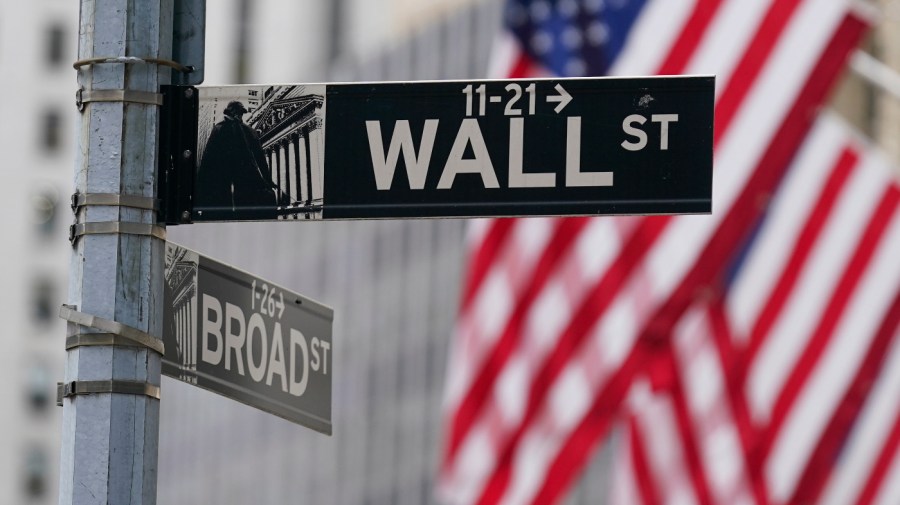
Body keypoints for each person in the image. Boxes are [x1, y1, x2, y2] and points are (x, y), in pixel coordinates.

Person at [196, 101, 282, 217]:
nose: (240, 116)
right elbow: (208, 159)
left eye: (241, 114)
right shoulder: (239, 130)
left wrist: (268, 180)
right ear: (232, 113)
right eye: (239, 113)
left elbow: (207, 159)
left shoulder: (224, 129)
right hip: (232, 182)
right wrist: (267, 179)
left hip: (236, 183)